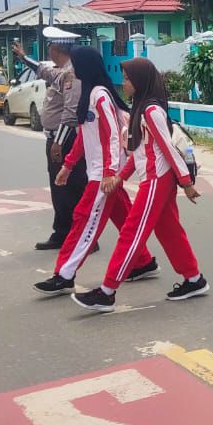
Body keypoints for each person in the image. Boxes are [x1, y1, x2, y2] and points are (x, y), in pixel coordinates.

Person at [73, 58, 206, 313]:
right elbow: (139, 154)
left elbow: (167, 149)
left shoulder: (150, 111)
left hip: (158, 180)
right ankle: (194, 279)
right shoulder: (141, 108)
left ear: (140, 81)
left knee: (132, 233)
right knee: (168, 230)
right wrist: (119, 178)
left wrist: (187, 183)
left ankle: (107, 292)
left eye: (127, 79)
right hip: (154, 177)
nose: (123, 83)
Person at [34, 46, 158, 296]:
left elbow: (112, 135)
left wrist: (111, 173)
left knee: (82, 219)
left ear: (85, 65)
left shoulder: (99, 96)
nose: (72, 66)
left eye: (75, 62)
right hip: (100, 171)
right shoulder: (89, 94)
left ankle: (64, 274)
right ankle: (142, 261)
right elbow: (84, 136)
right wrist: (68, 166)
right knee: (123, 215)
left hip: (103, 173)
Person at [13, 28, 87, 251]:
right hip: (58, 139)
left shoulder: (72, 75)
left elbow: (71, 113)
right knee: (60, 189)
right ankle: (63, 232)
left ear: (55, 49)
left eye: (49, 48)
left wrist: (58, 142)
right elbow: (45, 72)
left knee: (71, 189)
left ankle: (79, 237)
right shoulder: (63, 72)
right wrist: (24, 57)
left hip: (65, 140)